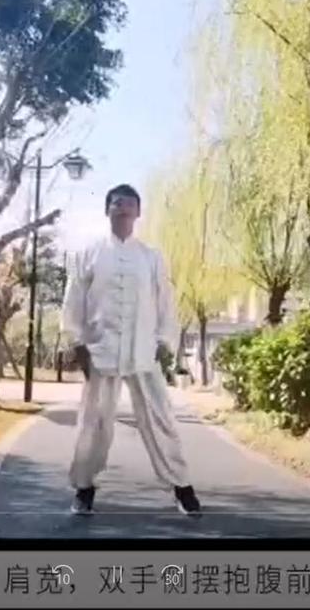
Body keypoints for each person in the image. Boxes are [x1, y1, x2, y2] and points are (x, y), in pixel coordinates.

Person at [61, 184, 202, 517]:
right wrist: (76, 343)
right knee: (94, 423)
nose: (123, 208)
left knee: (160, 419)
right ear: (107, 210)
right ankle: (84, 487)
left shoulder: (151, 257)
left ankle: (181, 487)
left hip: (143, 351)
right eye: (116, 203)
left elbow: (165, 302)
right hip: (101, 350)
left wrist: (164, 342)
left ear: (138, 212)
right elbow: (73, 301)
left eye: (129, 204)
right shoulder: (87, 254)